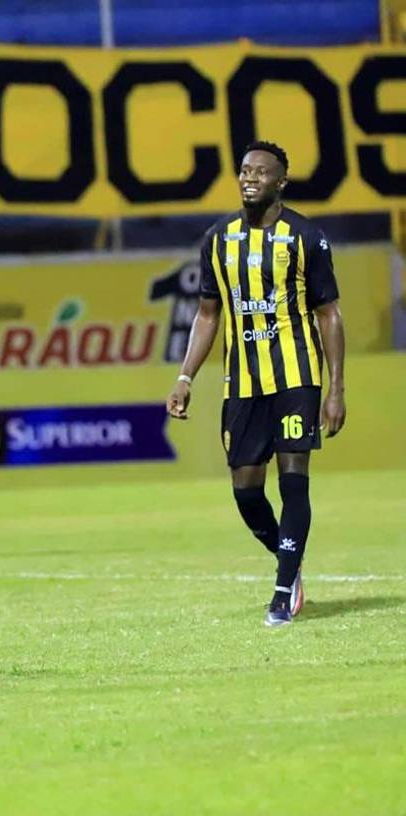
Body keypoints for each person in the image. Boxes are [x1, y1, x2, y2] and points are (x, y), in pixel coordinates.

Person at [166, 140, 346, 627]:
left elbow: (328, 314)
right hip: (242, 382)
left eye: (261, 172)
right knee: (246, 491)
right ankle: (290, 557)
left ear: (281, 182)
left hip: (296, 375)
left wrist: (335, 388)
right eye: (245, 170)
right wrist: (185, 377)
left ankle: (283, 591)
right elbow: (208, 314)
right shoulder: (218, 239)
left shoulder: (306, 238)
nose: (250, 178)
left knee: (293, 478)